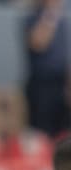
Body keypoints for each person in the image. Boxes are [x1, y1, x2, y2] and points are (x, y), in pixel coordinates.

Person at [24, 0, 70, 138]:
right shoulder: (32, 18)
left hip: (61, 81)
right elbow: (38, 43)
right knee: (42, 132)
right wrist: (50, 17)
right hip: (42, 83)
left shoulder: (64, 21)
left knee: (62, 132)